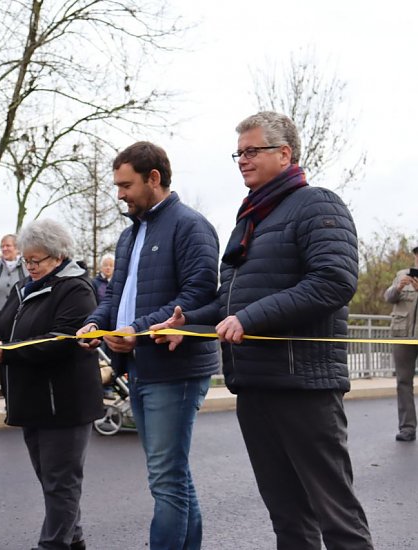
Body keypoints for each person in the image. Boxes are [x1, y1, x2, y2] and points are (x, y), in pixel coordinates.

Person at [151, 111, 373, 550]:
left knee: (336, 515)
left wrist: (250, 319)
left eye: (253, 151)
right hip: (255, 385)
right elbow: (231, 301)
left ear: (285, 153)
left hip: (303, 386)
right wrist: (189, 322)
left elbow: (334, 281)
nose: (242, 160)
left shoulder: (318, 204)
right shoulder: (251, 218)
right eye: (239, 153)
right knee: (287, 516)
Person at [75, 141, 220, 550]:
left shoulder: (191, 226)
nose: (119, 194)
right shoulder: (128, 235)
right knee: (172, 473)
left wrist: (135, 330)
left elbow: (199, 296)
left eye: (126, 185)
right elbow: (113, 296)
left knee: (165, 476)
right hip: (138, 365)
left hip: (176, 367)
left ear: (154, 178)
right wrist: (94, 323)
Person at [0, 219, 103, 550]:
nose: (30, 267)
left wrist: (5, 354)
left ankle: (54, 544)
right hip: (32, 401)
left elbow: (60, 341)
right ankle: (72, 538)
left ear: (59, 256)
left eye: (37, 261)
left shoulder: (77, 289)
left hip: (64, 404)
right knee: (51, 480)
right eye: (27, 260)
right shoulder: (25, 287)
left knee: (60, 481)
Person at [384, 244, 418, 442]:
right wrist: (397, 288)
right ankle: (407, 428)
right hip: (402, 336)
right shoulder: (401, 275)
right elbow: (388, 297)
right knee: (403, 383)